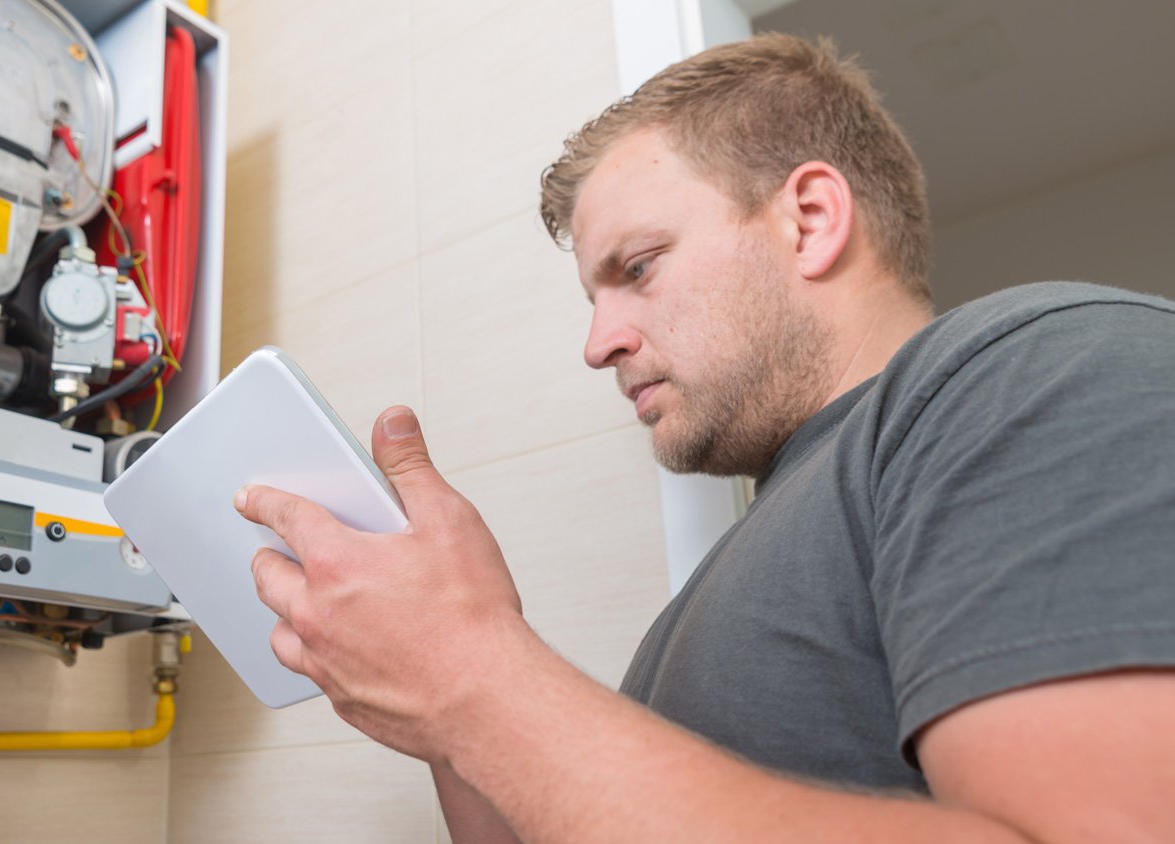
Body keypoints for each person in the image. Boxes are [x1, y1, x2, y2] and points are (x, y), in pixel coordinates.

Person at [233, 33, 1175, 842]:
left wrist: (470, 674)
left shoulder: (1035, 366)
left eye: (637, 267)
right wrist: (448, 669)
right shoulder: (733, 578)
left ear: (810, 221)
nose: (598, 342)